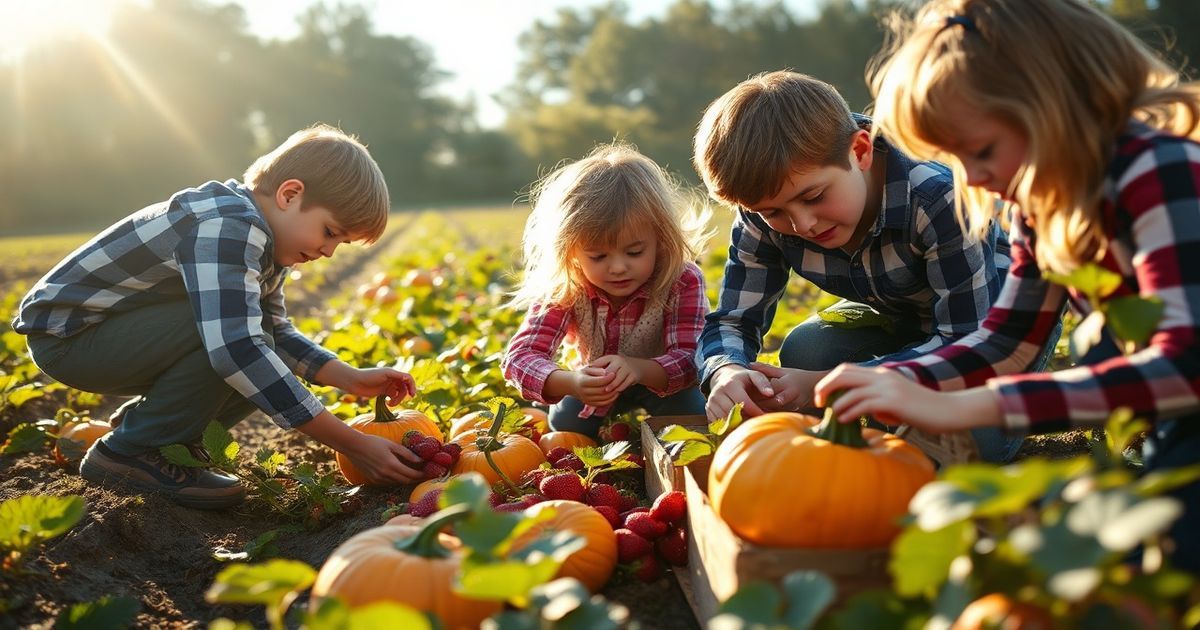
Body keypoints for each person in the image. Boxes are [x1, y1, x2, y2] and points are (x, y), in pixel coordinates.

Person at [814, 0, 1200, 571]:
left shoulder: (1158, 171)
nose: (969, 178)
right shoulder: (1043, 205)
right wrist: (890, 379)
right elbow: (1007, 343)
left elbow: (1186, 368)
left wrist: (968, 407)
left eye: (983, 150)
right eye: (953, 157)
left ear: (1056, 104)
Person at [13, 124, 424, 509]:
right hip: (71, 340)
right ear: (290, 194)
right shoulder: (228, 226)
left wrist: (347, 376)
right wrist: (352, 442)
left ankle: (159, 433)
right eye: (330, 232)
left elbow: (274, 330)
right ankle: (131, 451)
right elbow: (238, 347)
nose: (328, 251)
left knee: (255, 336)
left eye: (341, 244)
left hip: (113, 337)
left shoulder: (266, 240)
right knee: (240, 343)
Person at [693, 70, 1045, 462]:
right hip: (901, 314)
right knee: (807, 350)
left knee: (966, 444)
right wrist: (726, 370)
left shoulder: (937, 200)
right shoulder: (762, 214)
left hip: (993, 331)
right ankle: (884, 407)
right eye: (774, 211)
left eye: (815, 196)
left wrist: (831, 386)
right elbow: (732, 320)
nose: (802, 225)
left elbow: (969, 340)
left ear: (860, 151)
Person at [502, 143, 713, 440]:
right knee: (568, 430)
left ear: (661, 239)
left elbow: (691, 359)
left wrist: (637, 369)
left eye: (635, 252)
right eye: (598, 257)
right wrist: (572, 382)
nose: (617, 267)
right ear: (571, 252)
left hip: (662, 380)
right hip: (592, 384)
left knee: (695, 417)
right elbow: (520, 357)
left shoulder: (681, 279)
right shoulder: (567, 284)